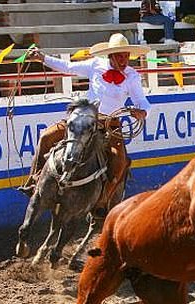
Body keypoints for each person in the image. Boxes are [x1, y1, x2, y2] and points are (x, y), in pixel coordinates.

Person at [18, 33, 151, 219]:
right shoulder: (95, 65)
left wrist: (142, 112)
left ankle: (103, 200)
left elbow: (142, 102)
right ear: (110, 55)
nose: (124, 60)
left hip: (110, 124)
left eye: (126, 55)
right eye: (120, 55)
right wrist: (42, 58)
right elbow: (68, 67)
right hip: (84, 118)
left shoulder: (132, 76)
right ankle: (35, 181)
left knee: (119, 161)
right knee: (46, 137)